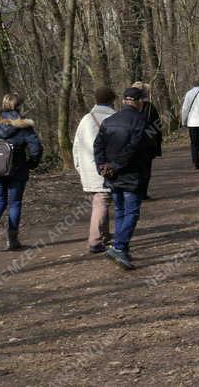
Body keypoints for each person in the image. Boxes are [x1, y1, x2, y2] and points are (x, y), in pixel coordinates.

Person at [93, 88, 152, 270]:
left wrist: (102, 166)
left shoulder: (109, 121)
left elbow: (98, 146)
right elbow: (135, 149)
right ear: (138, 101)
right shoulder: (141, 122)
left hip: (113, 175)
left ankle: (122, 247)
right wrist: (112, 166)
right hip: (131, 175)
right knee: (131, 212)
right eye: (143, 100)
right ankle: (119, 246)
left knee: (120, 210)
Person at [0, 93, 43, 251]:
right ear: (19, 107)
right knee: (15, 203)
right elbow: (36, 148)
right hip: (17, 170)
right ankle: (12, 240)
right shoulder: (24, 126)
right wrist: (32, 163)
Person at [72, 87, 117, 253]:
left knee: (100, 200)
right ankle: (95, 240)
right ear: (112, 100)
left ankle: (103, 236)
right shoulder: (114, 117)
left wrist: (79, 167)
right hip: (106, 167)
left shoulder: (86, 119)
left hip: (89, 167)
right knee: (103, 201)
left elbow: (76, 147)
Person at [132, 81, 162, 200]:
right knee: (145, 169)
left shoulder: (127, 107)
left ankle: (135, 192)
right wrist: (154, 140)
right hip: (147, 143)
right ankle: (142, 193)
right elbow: (157, 126)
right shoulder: (150, 107)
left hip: (132, 143)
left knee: (134, 169)